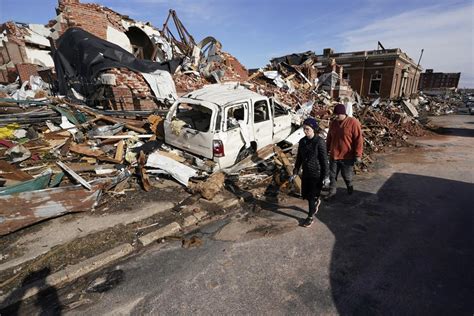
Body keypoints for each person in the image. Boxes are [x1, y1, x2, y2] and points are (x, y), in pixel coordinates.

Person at [292, 117, 329, 228]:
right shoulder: (302, 141)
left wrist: (326, 176)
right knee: (306, 195)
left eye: (307, 129)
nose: (305, 131)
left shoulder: (319, 142)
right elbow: (299, 158)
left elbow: (324, 160)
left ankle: (310, 217)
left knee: (311, 196)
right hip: (306, 172)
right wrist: (295, 171)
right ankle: (316, 201)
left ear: (313, 129)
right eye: (304, 129)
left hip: (316, 174)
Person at [326, 103, 363, 199]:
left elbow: (358, 139)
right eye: (335, 114)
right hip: (334, 155)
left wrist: (358, 154)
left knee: (346, 175)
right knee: (332, 175)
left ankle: (349, 185)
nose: (336, 116)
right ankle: (332, 192)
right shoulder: (333, 123)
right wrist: (326, 150)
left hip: (347, 156)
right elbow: (329, 137)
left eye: (338, 114)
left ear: (343, 113)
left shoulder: (353, 122)